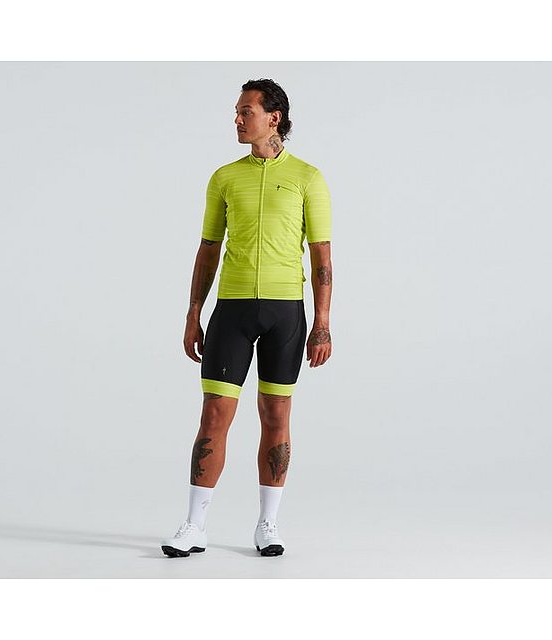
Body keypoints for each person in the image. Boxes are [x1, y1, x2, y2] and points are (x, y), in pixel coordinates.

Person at [161, 78, 333, 558]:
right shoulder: (224, 178)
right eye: (237, 112)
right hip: (232, 310)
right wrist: (193, 313)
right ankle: (194, 526)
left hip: (286, 312)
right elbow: (207, 249)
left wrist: (322, 322)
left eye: (245, 112)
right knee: (214, 414)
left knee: (276, 415)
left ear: (273, 118)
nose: (237, 119)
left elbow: (321, 256)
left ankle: (268, 525)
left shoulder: (308, 177)